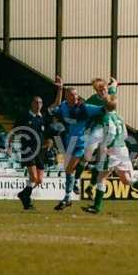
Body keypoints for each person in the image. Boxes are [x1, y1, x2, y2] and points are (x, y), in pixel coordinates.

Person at [81, 95, 138, 214]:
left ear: (104, 105)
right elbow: (125, 135)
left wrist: (105, 145)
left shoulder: (106, 117)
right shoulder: (119, 117)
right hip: (123, 148)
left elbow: (111, 133)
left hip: (113, 150)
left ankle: (96, 206)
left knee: (101, 178)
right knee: (127, 179)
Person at [49, 76, 106, 211]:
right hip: (69, 142)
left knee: (69, 169)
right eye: (72, 95)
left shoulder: (84, 107)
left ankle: (68, 196)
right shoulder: (63, 107)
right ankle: (70, 193)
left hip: (81, 142)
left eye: (76, 95)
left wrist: (104, 94)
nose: (75, 98)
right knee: (68, 171)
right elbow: (53, 108)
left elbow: (102, 109)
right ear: (67, 97)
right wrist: (60, 89)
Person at [8, 96, 46, 210]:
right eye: (36, 102)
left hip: (40, 151)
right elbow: (14, 131)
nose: (38, 104)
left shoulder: (42, 118)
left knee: (39, 180)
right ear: (32, 104)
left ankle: (24, 196)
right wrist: (9, 146)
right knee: (33, 177)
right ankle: (25, 197)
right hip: (28, 150)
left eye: (40, 102)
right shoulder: (25, 116)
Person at [82, 78, 118, 200]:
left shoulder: (110, 93)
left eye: (104, 88)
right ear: (96, 91)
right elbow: (84, 109)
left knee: (101, 164)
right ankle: (79, 182)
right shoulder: (92, 100)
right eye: (100, 89)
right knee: (90, 158)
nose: (103, 91)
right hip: (97, 131)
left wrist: (114, 82)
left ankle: (90, 187)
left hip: (109, 132)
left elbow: (114, 84)